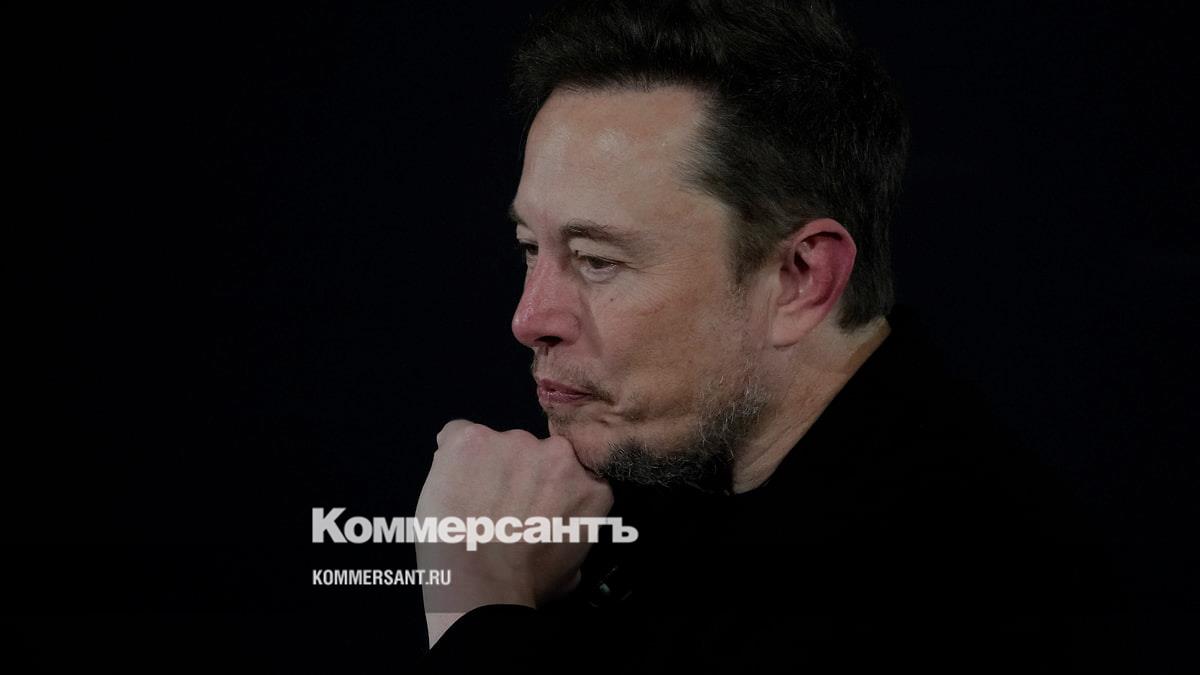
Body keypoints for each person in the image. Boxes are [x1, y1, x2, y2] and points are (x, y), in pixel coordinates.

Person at [416, 0, 1128, 671]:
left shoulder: (972, 592)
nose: (529, 318)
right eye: (530, 248)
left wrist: (478, 596)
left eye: (597, 260)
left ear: (801, 278)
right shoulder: (651, 484)